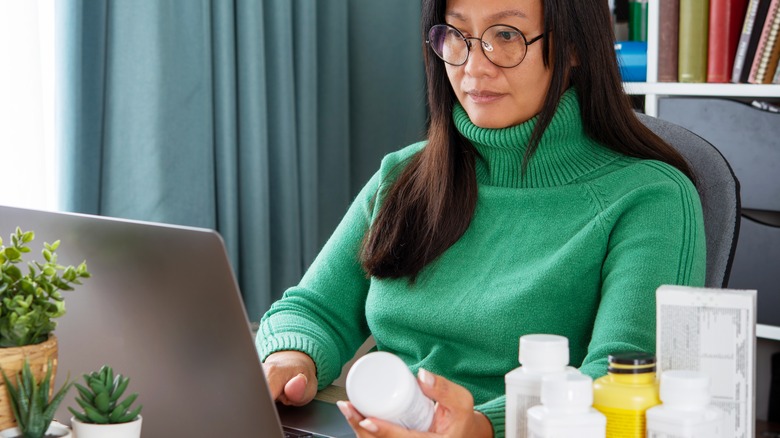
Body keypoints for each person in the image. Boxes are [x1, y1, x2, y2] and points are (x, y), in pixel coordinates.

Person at [256, 0, 706, 436]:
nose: (473, 67)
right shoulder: (404, 175)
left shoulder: (652, 197)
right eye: (456, 35)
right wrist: (292, 358)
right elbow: (314, 310)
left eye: (506, 35)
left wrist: (482, 428)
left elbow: (622, 384)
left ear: (574, 47)